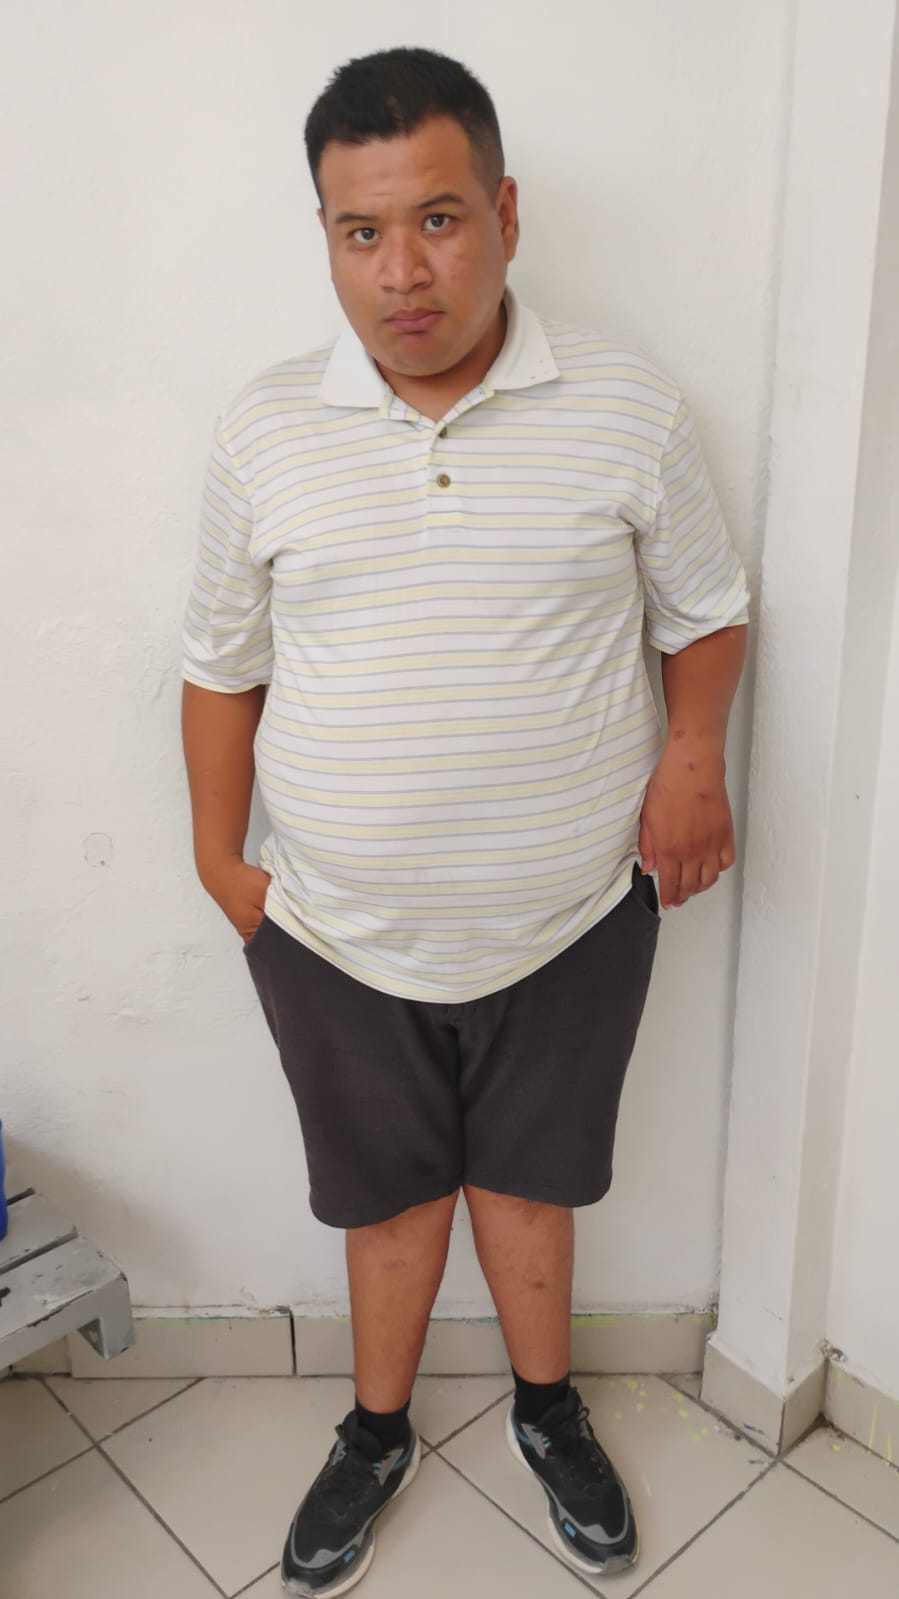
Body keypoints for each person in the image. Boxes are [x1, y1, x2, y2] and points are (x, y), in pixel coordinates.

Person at [181, 44, 749, 1599]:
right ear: (325, 237)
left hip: (573, 916)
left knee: (531, 1184)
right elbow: (221, 664)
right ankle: (377, 1431)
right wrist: (219, 862)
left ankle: (546, 1410)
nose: (403, 271)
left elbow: (705, 609)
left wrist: (695, 753)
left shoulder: (626, 403)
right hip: (333, 931)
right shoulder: (264, 428)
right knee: (386, 1201)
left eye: (437, 219)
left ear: (505, 210)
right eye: (360, 231)